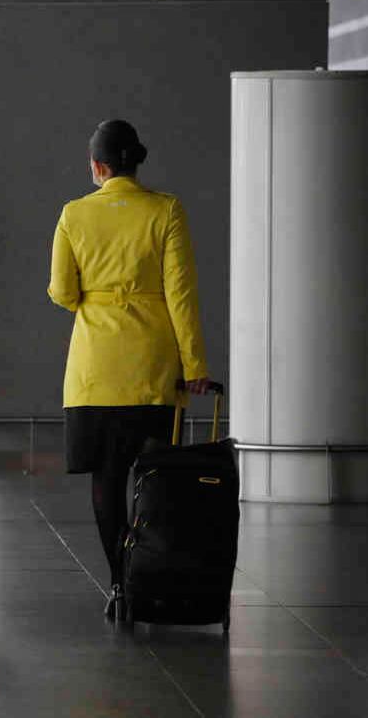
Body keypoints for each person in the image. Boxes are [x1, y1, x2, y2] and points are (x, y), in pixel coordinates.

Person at [48, 119, 212, 619]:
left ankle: (120, 583)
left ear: (98, 167)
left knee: (106, 478)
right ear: (135, 162)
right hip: (153, 365)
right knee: (155, 476)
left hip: (95, 368)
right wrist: (195, 364)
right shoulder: (166, 209)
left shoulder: (75, 214)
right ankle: (153, 574)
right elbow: (181, 295)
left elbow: (61, 291)